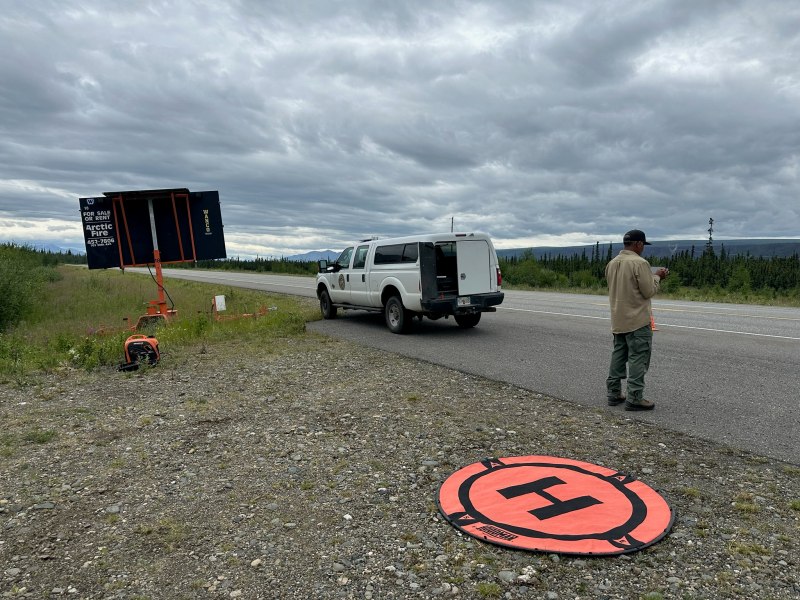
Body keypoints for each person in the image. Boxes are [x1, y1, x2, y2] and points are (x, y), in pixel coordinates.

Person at [605, 229, 668, 411]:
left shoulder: (612, 263)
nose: (643, 249)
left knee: (618, 355)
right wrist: (658, 276)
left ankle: (614, 393)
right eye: (643, 246)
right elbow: (648, 291)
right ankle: (635, 397)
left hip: (618, 318)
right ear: (638, 244)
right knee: (638, 358)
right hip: (637, 320)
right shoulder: (640, 263)